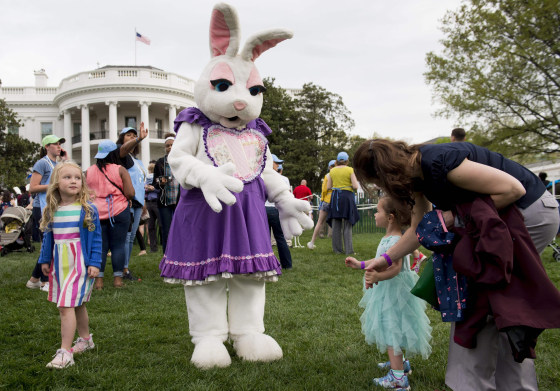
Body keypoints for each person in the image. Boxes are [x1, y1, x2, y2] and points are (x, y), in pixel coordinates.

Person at [352, 139, 560, 391]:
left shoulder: (438, 161)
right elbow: (418, 229)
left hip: (530, 213)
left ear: (387, 172)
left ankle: (489, 383)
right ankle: (504, 382)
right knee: (492, 306)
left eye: (377, 182)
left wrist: (453, 216)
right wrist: (385, 258)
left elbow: (512, 190)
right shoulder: (417, 176)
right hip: (499, 219)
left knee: (482, 302)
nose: (381, 188)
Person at [345, 196, 432, 390]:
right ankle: (401, 365)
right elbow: (380, 260)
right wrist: (359, 264)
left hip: (393, 294)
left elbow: (394, 268)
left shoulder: (396, 240)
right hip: (391, 292)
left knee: (391, 329)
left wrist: (377, 278)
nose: (374, 214)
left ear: (391, 217)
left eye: (377, 211)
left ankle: (398, 378)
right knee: (396, 327)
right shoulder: (392, 238)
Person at [37, 161, 101, 369]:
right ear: (56, 182)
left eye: (77, 177)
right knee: (78, 303)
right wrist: (44, 260)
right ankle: (85, 339)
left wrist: (94, 262)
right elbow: (48, 238)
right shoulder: (51, 210)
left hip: (80, 264)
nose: (73, 181)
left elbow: (97, 238)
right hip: (60, 264)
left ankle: (65, 353)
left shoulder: (87, 209)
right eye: (67, 177)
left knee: (66, 306)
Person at [86, 140, 134, 289]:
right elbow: (130, 193)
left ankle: (98, 282)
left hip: (96, 213)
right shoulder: (120, 169)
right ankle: (118, 281)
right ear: (114, 153)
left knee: (100, 246)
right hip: (119, 211)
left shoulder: (88, 171)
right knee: (118, 246)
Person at [26, 135, 66, 291]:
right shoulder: (42, 163)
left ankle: (34, 280)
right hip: (41, 207)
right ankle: (44, 281)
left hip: (51, 206)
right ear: (46, 147)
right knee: (48, 243)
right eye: (55, 144)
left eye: (59, 144)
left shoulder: (57, 163)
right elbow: (33, 187)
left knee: (51, 243)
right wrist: (53, 185)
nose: (59, 147)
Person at [117, 127, 148, 280]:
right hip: (126, 201)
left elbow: (140, 182)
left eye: (134, 135)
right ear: (121, 139)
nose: (132, 137)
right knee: (126, 236)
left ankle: (125, 269)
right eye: (128, 135)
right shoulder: (121, 155)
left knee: (130, 238)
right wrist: (139, 138)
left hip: (138, 202)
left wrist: (144, 201)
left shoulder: (138, 161)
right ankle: (121, 270)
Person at [327, 152, 360, 254]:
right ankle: (349, 251)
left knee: (336, 224)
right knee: (347, 223)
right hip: (347, 197)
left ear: (337, 161)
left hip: (335, 197)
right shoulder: (350, 170)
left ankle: (337, 250)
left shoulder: (332, 171)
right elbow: (355, 186)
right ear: (347, 161)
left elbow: (328, 187)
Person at [264, 154, 293, 269]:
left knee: (265, 239)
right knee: (280, 237)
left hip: (263, 209)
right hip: (276, 210)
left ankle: (267, 265)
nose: (278, 165)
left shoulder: (261, 177)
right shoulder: (284, 179)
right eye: (277, 163)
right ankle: (287, 264)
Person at [153, 133, 179, 253]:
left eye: (172, 145)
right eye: (167, 146)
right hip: (165, 201)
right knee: (166, 230)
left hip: (180, 201)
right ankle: (167, 257)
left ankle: (181, 255)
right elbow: (155, 182)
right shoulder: (160, 162)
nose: (169, 147)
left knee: (182, 229)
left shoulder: (182, 161)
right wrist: (161, 181)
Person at [307, 160, 336, 249]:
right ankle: (336, 245)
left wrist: (322, 200)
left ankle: (312, 242)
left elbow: (324, 190)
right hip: (336, 201)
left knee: (319, 222)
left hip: (327, 200)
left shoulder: (327, 176)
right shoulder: (339, 175)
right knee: (336, 223)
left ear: (329, 167)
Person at [144, 161, 161, 253]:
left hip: (156, 202)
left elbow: (161, 190)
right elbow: (143, 188)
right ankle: (153, 248)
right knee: (150, 226)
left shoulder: (158, 180)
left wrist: (154, 189)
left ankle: (165, 246)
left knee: (161, 225)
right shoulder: (147, 179)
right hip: (149, 203)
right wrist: (146, 188)